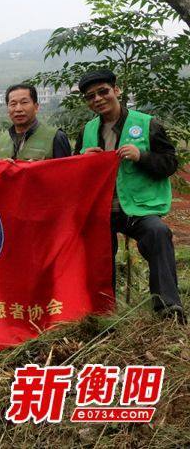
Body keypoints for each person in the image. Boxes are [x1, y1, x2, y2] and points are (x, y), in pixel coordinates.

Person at [74, 69, 184, 323]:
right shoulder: (87, 131)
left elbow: (169, 164)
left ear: (117, 90)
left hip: (137, 208)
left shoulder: (147, 124)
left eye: (103, 91)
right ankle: (102, 313)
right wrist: (83, 161)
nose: (98, 99)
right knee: (97, 252)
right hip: (101, 210)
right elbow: (73, 173)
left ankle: (168, 309)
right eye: (91, 96)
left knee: (158, 233)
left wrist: (141, 156)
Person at [0, 84, 71, 161]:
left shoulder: (56, 137)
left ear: (36, 107)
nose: (18, 109)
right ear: (7, 109)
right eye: (13, 104)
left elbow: (64, 171)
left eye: (24, 102)